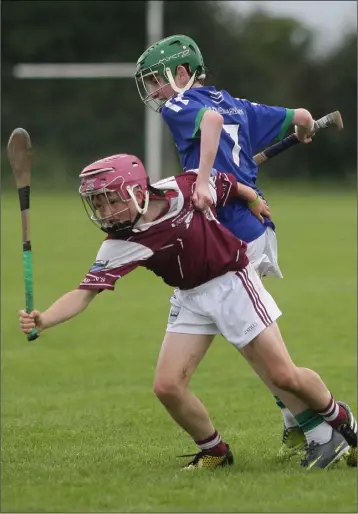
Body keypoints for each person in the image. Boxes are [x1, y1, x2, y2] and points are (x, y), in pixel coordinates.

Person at [19, 154, 357, 470]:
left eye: (111, 200)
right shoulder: (119, 242)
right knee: (168, 386)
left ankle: (344, 422)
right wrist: (44, 318)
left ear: (138, 191)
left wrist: (251, 198)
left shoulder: (182, 188)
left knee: (284, 376)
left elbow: (226, 183)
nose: (105, 211)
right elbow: (83, 294)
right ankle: (215, 452)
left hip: (233, 284)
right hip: (190, 298)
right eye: (98, 203)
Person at [135, 34, 317, 457]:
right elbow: (303, 116)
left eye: (155, 82)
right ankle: (297, 418)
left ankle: (308, 422)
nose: (154, 94)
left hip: (227, 233)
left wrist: (200, 179)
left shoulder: (180, 105)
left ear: (181, 74)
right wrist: (305, 130)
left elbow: (211, 124)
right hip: (260, 232)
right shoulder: (241, 104)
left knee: (254, 343)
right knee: (252, 339)